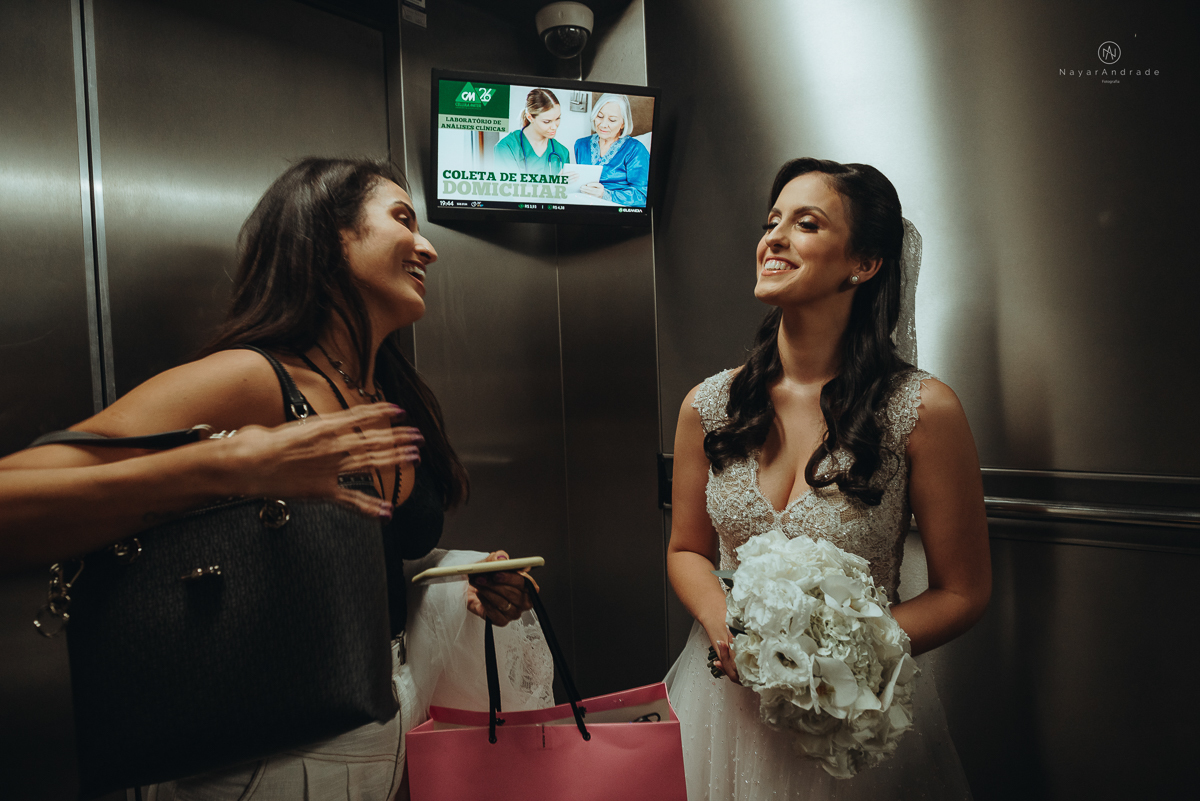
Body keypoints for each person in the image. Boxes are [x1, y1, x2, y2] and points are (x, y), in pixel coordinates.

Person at [0, 158, 549, 799]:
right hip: (257, 761)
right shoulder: (254, 379)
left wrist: (460, 580)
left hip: (376, 735)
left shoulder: (390, 394)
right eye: (402, 219)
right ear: (330, 238)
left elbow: (344, 560)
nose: (427, 246)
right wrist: (228, 465)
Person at [664, 158, 990, 800]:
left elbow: (964, 591)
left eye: (805, 224)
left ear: (863, 263)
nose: (774, 238)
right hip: (722, 709)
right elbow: (685, 550)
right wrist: (725, 625)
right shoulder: (709, 405)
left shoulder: (922, 411)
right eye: (772, 221)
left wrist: (847, 652)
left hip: (854, 711)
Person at [570, 93, 649, 206]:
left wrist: (606, 195)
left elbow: (643, 196)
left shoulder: (635, 149)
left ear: (623, 123)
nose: (603, 124)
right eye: (600, 116)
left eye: (612, 120)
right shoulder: (581, 145)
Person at [492, 87, 571, 175]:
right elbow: (508, 187)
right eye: (547, 121)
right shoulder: (506, 147)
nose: (554, 127)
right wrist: (554, 185)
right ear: (530, 117)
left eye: (557, 118)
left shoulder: (562, 152)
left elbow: (567, 188)